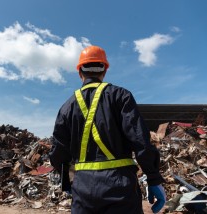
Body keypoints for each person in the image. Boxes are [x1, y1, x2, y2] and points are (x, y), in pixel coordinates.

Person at [49, 45, 166, 214]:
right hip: (121, 188)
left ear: (80, 73)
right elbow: (140, 141)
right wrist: (154, 179)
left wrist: (67, 182)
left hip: (83, 192)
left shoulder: (66, 107)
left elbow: (58, 153)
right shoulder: (121, 96)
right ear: (104, 71)